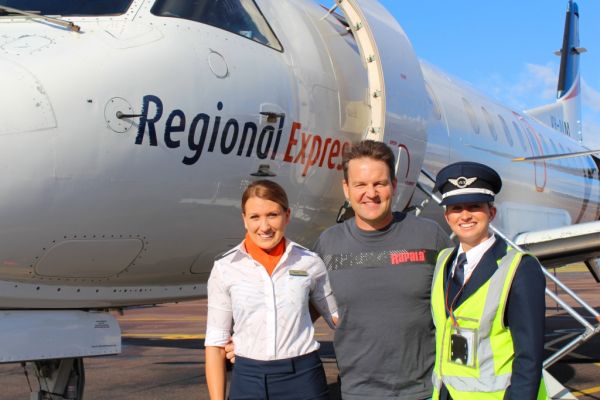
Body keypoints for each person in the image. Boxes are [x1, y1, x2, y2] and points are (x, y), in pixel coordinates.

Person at [313, 140, 453, 400]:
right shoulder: (328, 244)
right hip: (357, 392)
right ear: (346, 189)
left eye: (380, 183)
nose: (371, 193)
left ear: (394, 186)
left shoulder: (430, 237)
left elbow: (463, 302)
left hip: (425, 391)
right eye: (360, 185)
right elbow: (298, 309)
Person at [204, 179, 337, 400]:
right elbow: (216, 344)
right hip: (248, 378)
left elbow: (337, 318)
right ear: (244, 220)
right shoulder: (225, 269)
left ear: (287, 216)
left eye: (272, 215)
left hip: (303, 377)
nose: (264, 227)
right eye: (255, 217)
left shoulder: (309, 263)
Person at [430, 161, 547, 400]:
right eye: (456, 208)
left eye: (474, 206)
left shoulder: (519, 268)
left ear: (491, 212)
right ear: (447, 216)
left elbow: (529, 357)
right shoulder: (443, 262)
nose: (465, 215)